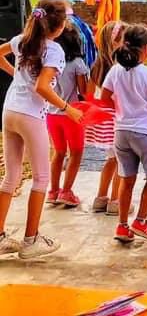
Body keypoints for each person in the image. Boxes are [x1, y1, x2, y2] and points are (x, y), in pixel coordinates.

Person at [0, 0, 82, 259]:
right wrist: (68, 108)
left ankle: (1, 236)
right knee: (41, 178)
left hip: (10, 110)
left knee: (10, 176)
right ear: (58, 26)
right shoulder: (54, 50)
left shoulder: (21, 41)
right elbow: (42, 88)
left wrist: (15, 74)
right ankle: (31, 240)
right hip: (30, 114)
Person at [101, 24, 147, 243]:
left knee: (126, 179)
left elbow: (104, 99)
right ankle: (141, 220)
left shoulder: (114, 70)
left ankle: (122, 226)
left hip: (121, 132)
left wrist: (122, 109)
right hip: (144, 133)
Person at [47, 21, 89, 208]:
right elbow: (83, 90)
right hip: (71, 113)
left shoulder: (50, 61)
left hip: (51, 112)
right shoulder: (77, 63)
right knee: (77, 152)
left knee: (58, 151)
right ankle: (67, 191)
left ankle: (53, 191)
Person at [87, 20, 125, 214]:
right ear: (115, 43)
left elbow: (88, 94)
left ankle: (101, 197)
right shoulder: (119, 69)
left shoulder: (96, 66)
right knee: (121, 162)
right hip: (117, 120)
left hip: (102, 121)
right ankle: (115, 201)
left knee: (111, 160)